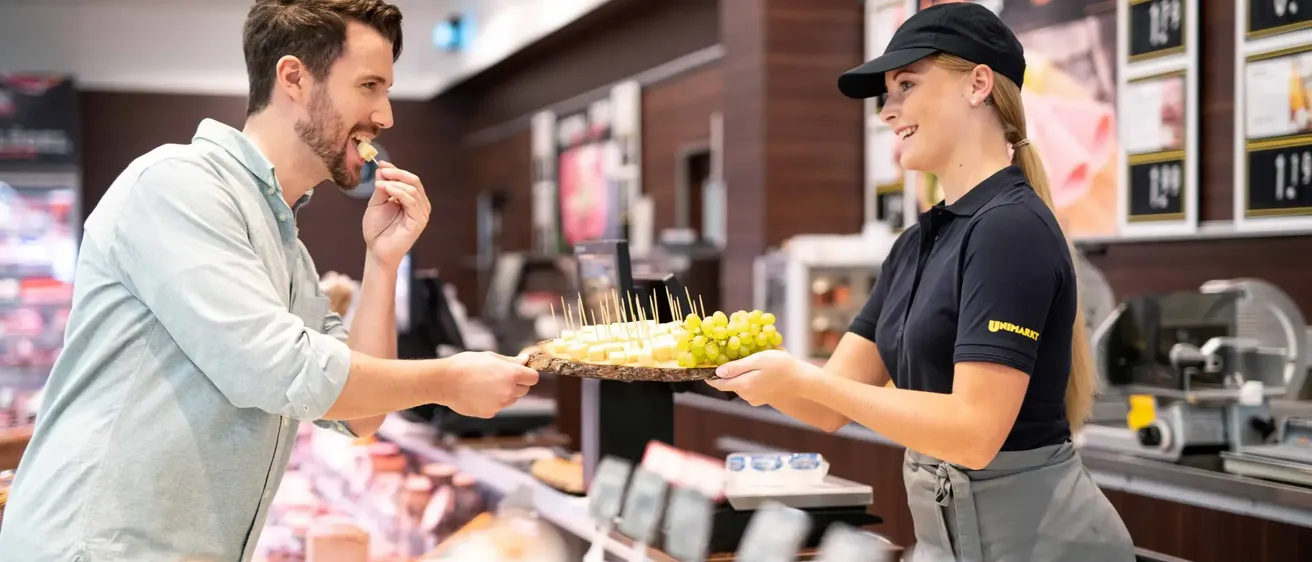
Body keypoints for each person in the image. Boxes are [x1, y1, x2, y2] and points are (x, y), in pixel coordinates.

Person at [0, 1, 538, 560]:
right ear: (294, 78)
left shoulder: (286, 248)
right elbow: (277, 369)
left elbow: (357, 418)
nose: (386, 114)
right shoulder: (177, 184)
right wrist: (446, 381)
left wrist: (381, 262)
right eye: (370, 85)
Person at [706, 4, 1134, 561]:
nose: (889, 111)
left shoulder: (1010, 229)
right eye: (888, 92)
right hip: (947, 542)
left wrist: (806, 381)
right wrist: (737, 372)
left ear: (978, 84)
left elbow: (975, 433)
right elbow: (831, 407)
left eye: (906, 84)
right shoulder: (915, 244)